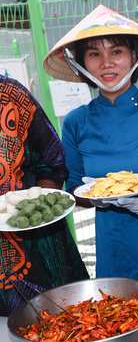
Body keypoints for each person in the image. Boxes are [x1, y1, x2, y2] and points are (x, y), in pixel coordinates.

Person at [42, 5, 138, 322]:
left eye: (116, 51)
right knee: (121, 331)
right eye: (94, 54)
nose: (107, 63)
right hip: (113, 247)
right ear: (81, 62)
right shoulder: (75, 122)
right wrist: (95, 194)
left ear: (135, 56)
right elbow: (74, 188)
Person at [0, 75, 90, 316]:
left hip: (34, 253)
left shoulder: (9, 95)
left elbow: (52, 161)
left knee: (64, 327)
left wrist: (36, 213)